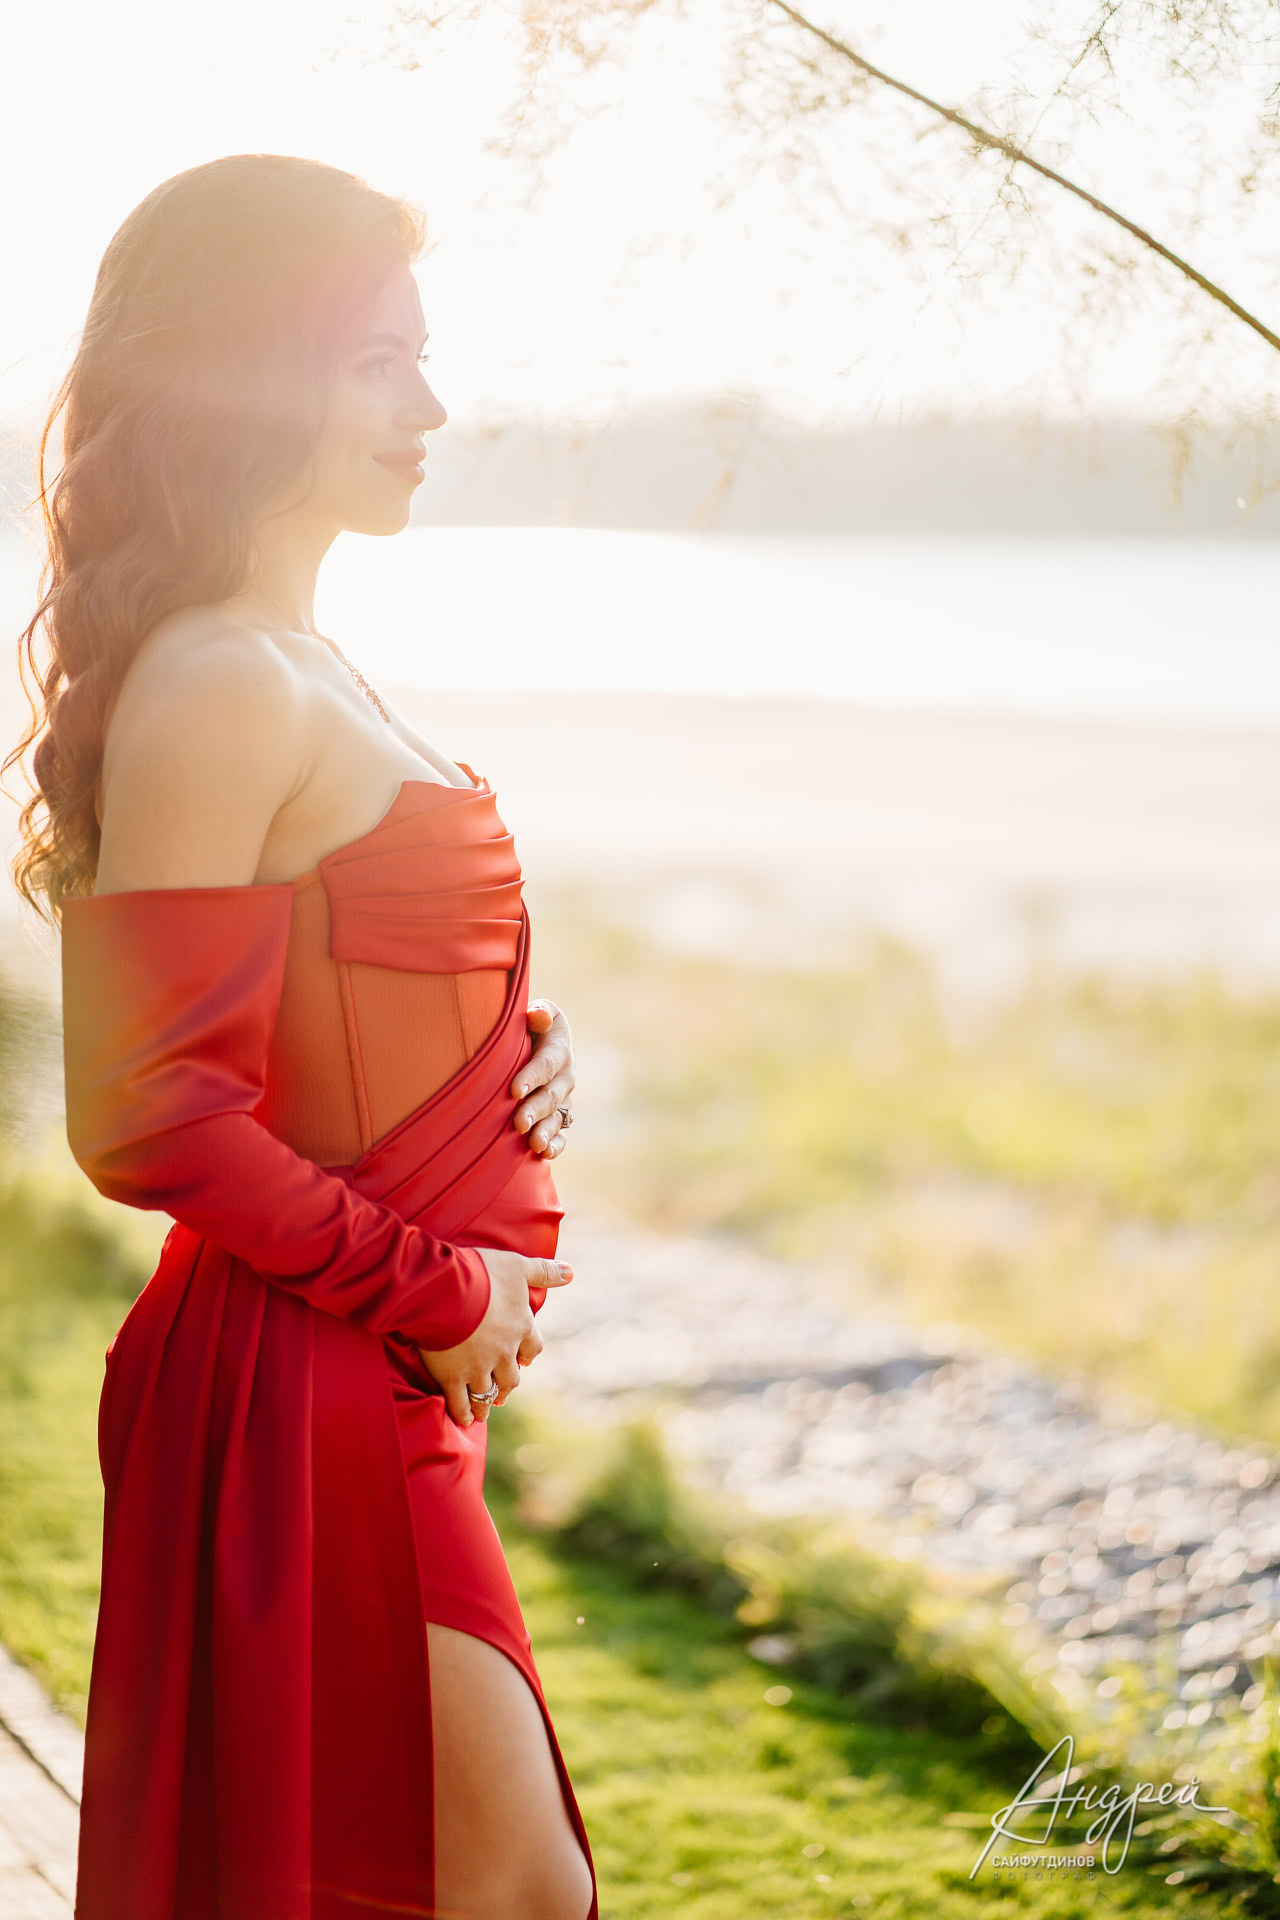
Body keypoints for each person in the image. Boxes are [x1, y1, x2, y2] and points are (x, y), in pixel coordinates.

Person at [9, 153, 598, 1920]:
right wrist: (450, 1292)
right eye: (380, 363)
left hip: (379, 1380)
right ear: (253, 375)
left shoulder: (310, 659)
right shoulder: (218, 682)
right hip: (307, 1387)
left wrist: (529, 1048)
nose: (432, 406)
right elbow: (148, 1122)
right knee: (514, 1891)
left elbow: (347, 980)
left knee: (433, 1885)